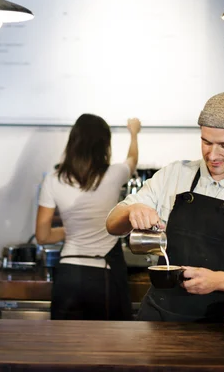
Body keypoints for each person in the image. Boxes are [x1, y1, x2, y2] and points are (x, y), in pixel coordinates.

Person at [106, 92, 224, 322]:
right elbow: (112, 224)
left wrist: (216, 281)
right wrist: (131, 211)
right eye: (206, 142)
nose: (212, 155)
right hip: (160, 317)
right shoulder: (173, 175)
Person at [36, 114, 141, 320]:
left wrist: (73, 230)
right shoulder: (115, 173)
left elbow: (42, 236)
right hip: (104, 273)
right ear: (104, 145)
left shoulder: (52, 180)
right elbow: (132, 160)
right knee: (108, 346)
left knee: (66, 346)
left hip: (68, 274)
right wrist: (134, 134)